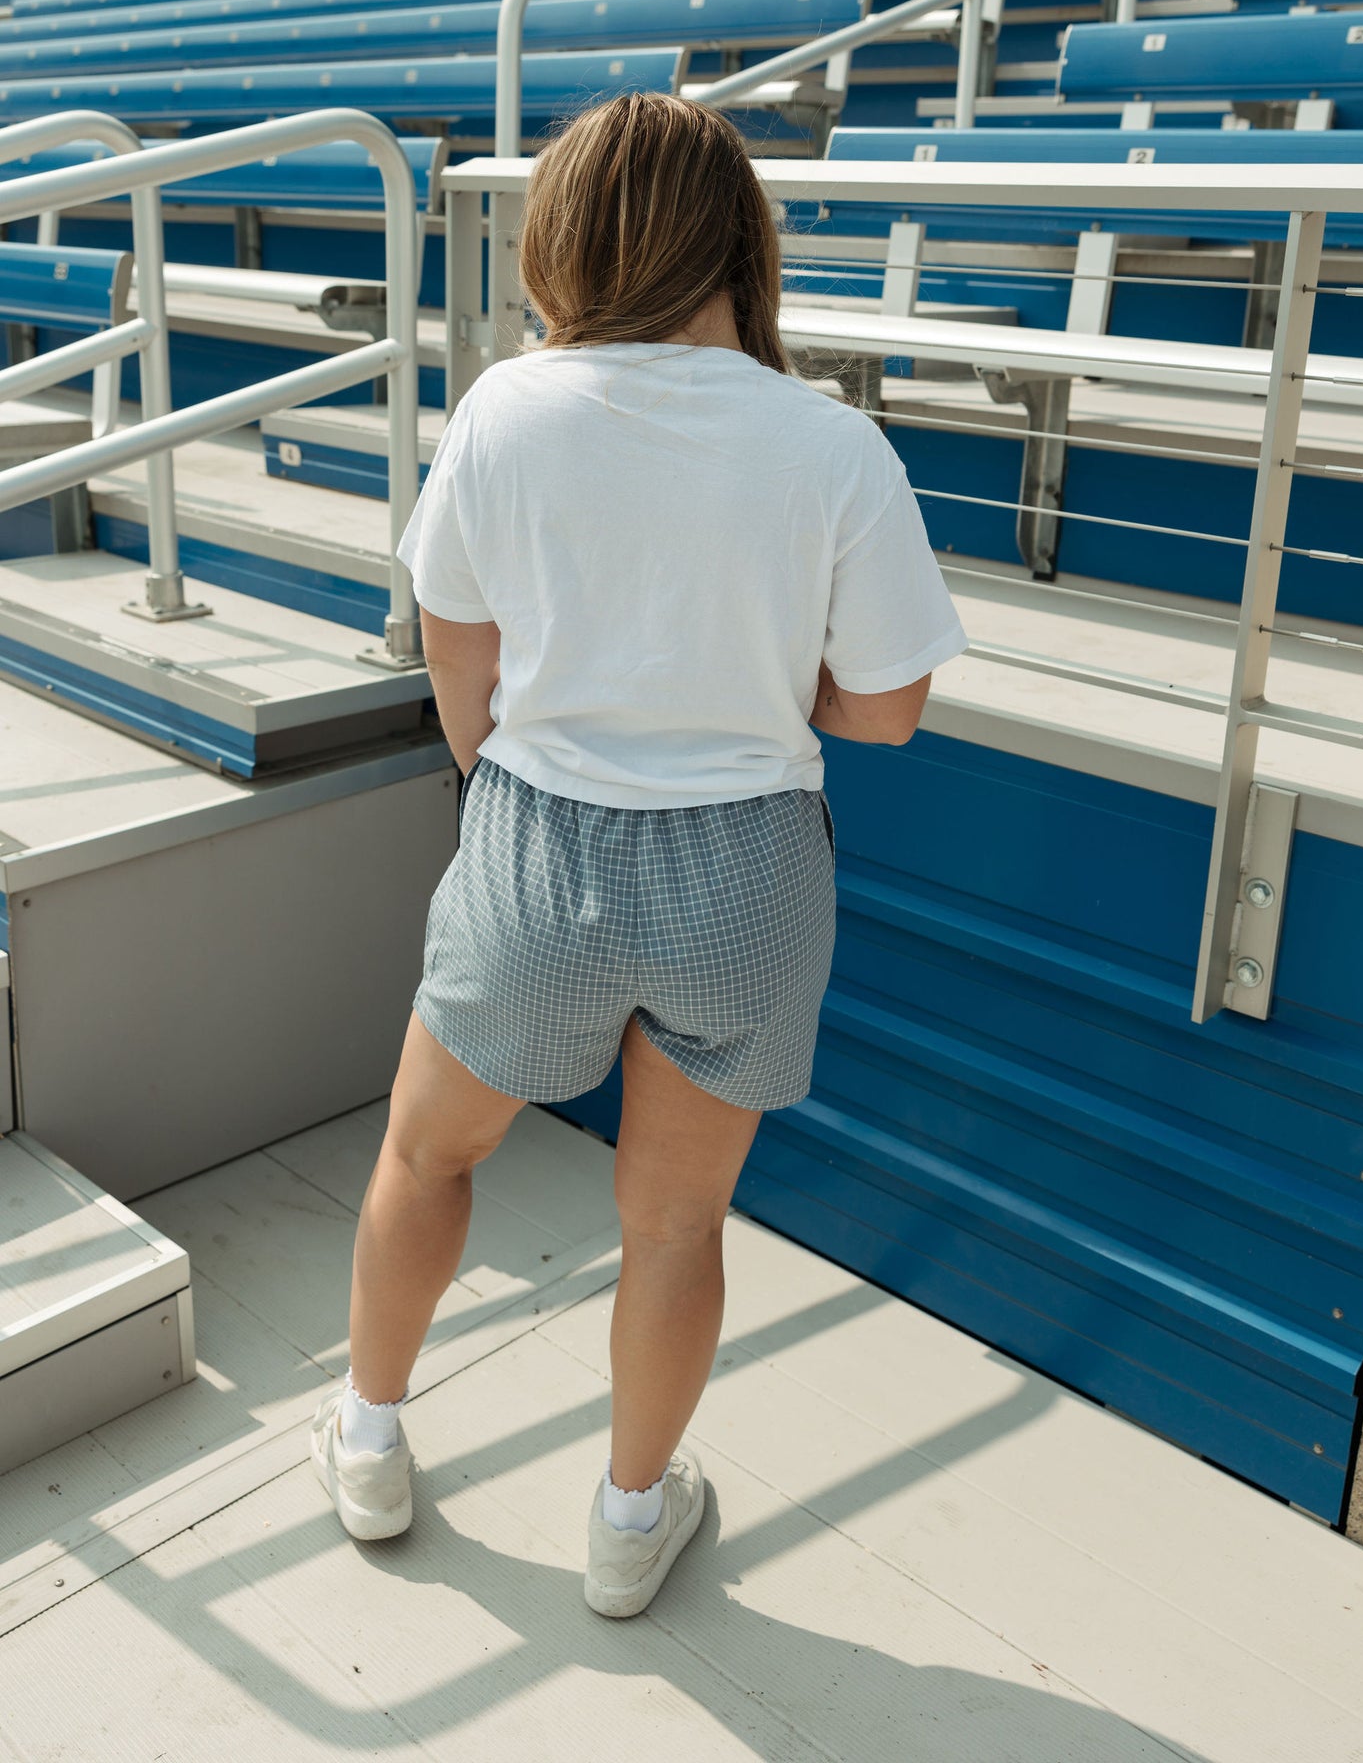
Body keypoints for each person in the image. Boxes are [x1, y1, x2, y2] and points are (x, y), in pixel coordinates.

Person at [311, 92, 967, 1617]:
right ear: (738, 240)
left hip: (540, 841)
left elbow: (457, 663)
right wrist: (733, 685)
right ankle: (624, 1527)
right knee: (672, 1225)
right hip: (748, 869)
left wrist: (518, 781)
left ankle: (366, 1439)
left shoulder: (504, 408)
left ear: (564, 236)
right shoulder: (830, 443)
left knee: (428, 1154)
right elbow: (884, 712)